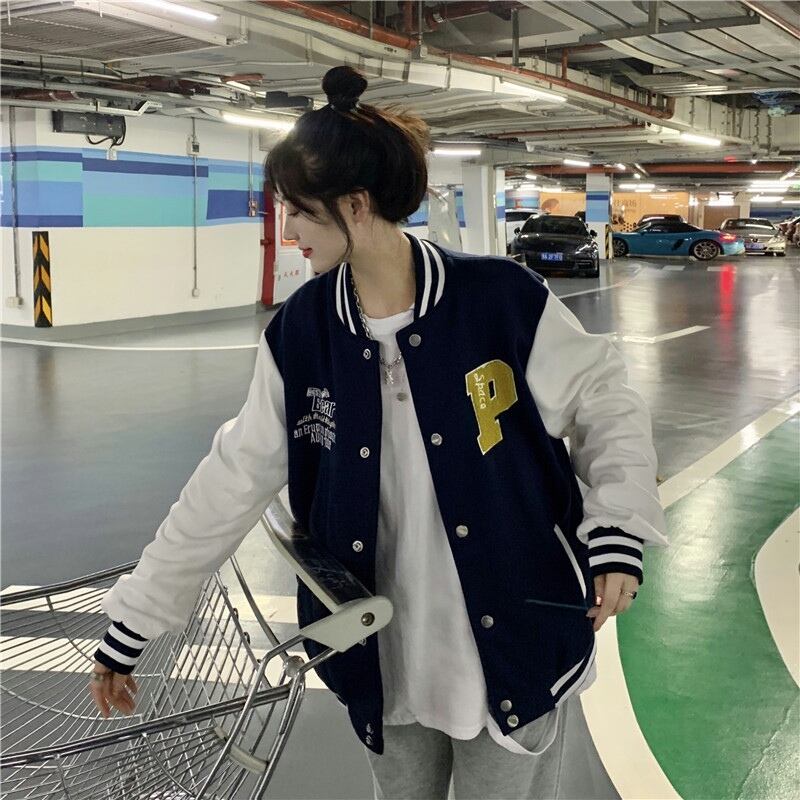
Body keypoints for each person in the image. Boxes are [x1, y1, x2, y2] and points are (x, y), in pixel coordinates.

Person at [88, 65, 668, 799]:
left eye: (300, 212)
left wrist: (616, 529)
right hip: (384, 657)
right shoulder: (303, 334)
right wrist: (134, 622)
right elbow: (232, 476)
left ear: (355, 206)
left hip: (518, 640)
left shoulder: (500, 301)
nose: (288, 232)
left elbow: (605, 404)